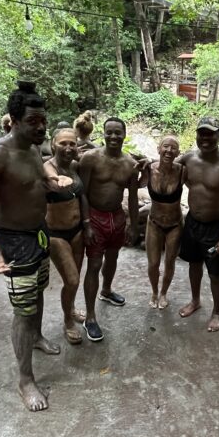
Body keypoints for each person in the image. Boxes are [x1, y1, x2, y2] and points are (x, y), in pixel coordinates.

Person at [0, 81, 61, 412]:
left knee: (38, 292)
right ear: (14, 120)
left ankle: (36, 338)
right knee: (22, 311)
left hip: (38, 233)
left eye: (43, 121)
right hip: (12, 240)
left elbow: (36, 183)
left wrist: (53, 181)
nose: (41, 127)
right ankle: (25, 380)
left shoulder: (35, 149)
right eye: (33, 122)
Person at [78, 117, 140, 342]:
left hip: (117, 217)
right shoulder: (90, 158)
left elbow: (132, 197)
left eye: (118, 133)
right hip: (94, 216)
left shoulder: (130, 164)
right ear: (102, 134)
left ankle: (106, 290)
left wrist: (133, 224)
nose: (113, 137)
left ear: (125, 135)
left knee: (113, 258)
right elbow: (81, 192)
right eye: (109, 132)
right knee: (94, 263)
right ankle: (90, 317)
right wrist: (85, 223)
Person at [178, 117, 219, 332]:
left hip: (217, 227)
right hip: (192, 223)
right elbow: (165, 165)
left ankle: (216, 311)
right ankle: (195, 300)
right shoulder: (188, 158)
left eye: (210, 134)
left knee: (215, 273)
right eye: (201, 134)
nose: (205, 138)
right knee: (193, 265)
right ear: (196, 135)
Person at [44, 128, 87, 345]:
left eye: (72, 143)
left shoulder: (74, 166)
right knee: (71, 279)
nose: (68, 147)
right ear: (53, 144)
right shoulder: (45, 170)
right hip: (56, 234)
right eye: (63, 143)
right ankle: (67, 321)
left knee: (75, 278)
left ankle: (70, 308)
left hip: (77, 230)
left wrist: (87, 224)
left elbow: (82, 197)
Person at [142, 135, 186, 309]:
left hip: (175, 224)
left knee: (170, 262)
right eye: (165, 147)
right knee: (153, 263)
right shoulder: (148, 169)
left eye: (173, 148)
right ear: (159, 149)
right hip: (154, 222)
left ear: (178, 152)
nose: (169, 150)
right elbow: (134, 184)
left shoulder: (183, 171)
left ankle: (163, 293)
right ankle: (154, 291)